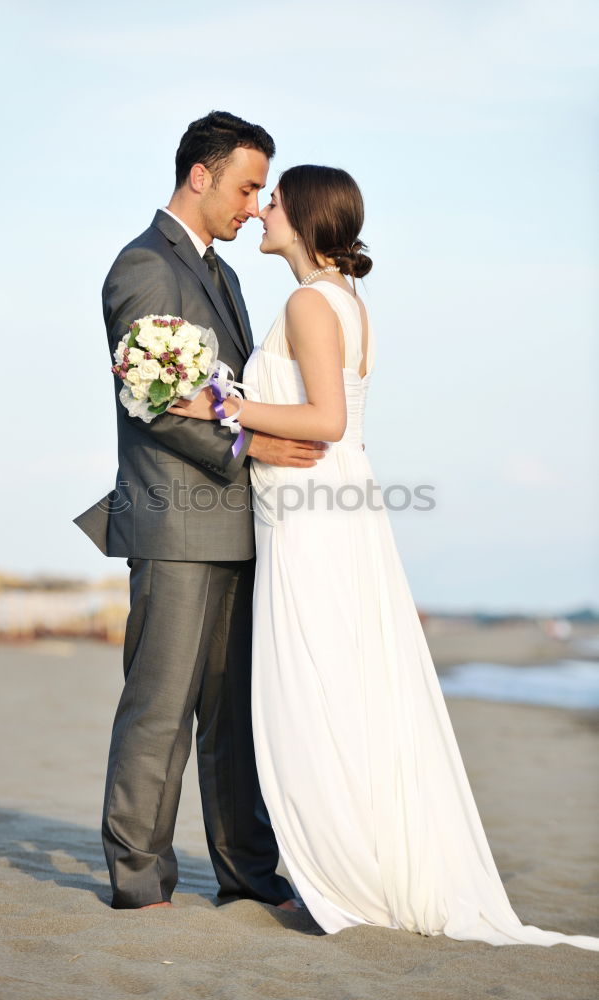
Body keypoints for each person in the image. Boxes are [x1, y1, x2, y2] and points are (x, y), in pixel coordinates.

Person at [168, 164, 599, 949]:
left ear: (301, 217)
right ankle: (346, 858)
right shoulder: (344, 301)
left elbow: (326, 418)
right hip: (327, 503)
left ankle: (344, 872)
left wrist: (221, 404)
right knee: (341, 684)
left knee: (318, 688)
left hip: (312, 512)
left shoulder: (308, 301)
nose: (261, 211)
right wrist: (244, 418)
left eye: (273, 201)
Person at [73, 112, 327, 911]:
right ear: (200, 175)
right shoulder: (144, 266)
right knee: (159, 709)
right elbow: (152, 400)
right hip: (175, 523)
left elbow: (233, 395)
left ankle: (247, 874)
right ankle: (140, 880)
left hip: (238, 528)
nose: (257, 205)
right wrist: (250, 451)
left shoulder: (226, 276)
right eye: (248, 187)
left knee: (232, 715)